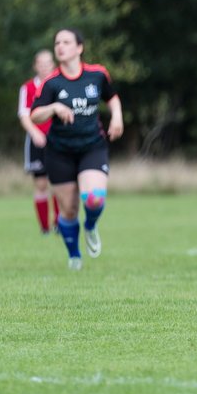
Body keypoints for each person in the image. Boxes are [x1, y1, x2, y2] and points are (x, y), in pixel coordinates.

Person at [30, 28, 123, 270]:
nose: (60, 46)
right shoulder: (51, 82)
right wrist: (54, 108)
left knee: (93, 199)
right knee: (69, 210)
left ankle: (91, 226)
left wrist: (117, 118)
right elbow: (35, 115)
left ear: (79, 48)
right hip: (59, 152)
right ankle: (74, 257)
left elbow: (111, 97)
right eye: (57, 42)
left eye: (66, 42)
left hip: (92, 147)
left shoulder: (97, 75)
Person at [17, 49, 59, 233]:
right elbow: (24, 115)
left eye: (48, 63)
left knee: (59, 182)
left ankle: (61, 223)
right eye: (40, 64)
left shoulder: (59, 84)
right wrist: (35, 133)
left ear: (53, 64)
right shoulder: (28, 88)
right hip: (37, 141)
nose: (44, 67)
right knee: (41, 184)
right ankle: (44, 227)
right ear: (35, 66)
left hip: (59, 140)